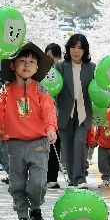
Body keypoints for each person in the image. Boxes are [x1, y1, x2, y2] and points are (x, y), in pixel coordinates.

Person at [0, 42, 57, 220]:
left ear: (37, 68)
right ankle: (23, 219)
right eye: (22, 61)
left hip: (38, 143)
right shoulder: (5, 91)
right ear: (12, 65)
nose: (27, 64)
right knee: (17, 184)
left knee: (37, 183)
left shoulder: (41, 90)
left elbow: (49, 112)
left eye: (32, 62)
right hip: (14, 144)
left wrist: (51, 128)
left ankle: (35, 208)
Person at [54, 34, 96, 188]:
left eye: (80, 47)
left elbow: (96, 90)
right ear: (68, 48)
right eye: (73, 47)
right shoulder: (60, 66)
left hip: (83, 113)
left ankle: (79, 178)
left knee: (79, 143)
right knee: (68, 147)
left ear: (85, 50)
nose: (76, 51)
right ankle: (73, 178)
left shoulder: (92, 68)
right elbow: (53, 87)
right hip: (65, 113)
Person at [44, 43, 64, 189]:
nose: (51, 59)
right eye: (48, 56)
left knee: (55, 144)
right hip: (42, 114)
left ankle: (52, 177)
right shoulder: (40, 71)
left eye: (53, 56)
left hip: (57, 114)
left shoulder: (62, 73)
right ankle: (42, 176)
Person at [95, 121, 110, 188]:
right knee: (103, 163)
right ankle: (106, 179)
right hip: (102, 146)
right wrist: (95, 141)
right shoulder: (100, 121)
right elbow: (97, 132)